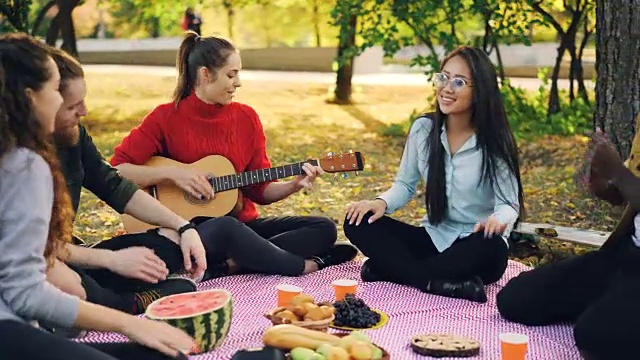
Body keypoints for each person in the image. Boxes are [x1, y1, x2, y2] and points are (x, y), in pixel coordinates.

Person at [0, 31, 193, 360]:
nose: (68, 105)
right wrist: (130, 324)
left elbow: (113, 184)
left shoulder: (32, 153)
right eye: (55, 91)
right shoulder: (23, 166)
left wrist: (183, 225)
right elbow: (24, 292)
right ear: (31, 98)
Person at [110, 32, 357, 279]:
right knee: (226, 227)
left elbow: (259, 191)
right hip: (188, 235)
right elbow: (116, 172)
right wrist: (173, 174)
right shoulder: (165, 118)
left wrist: (293, 185)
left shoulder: (246, 118)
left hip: (243, 229)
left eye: (238, 73)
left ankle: (234, 265)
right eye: (231, 74)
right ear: (205, 74)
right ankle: (300, 266)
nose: (238, 82)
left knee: (322, 228)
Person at [343, 46, 524, 303]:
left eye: (459, 82)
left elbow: (509, 204)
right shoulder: (423, 129)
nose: (447, 88)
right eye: (443, 77)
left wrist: (497, 220)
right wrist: (379, 203)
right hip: (434, 237)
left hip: (476, 243)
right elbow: (405, 184)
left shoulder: (495, 142)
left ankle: (392, 269)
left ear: (480, 90)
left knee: (491, 247)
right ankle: (438, 281)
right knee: (357, 221)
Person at [43, 46, 210, 323]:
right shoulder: (17, 159)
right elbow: (34, 249)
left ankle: (113, 284)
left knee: (170, 241)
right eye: (73, 106)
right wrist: (113, 261)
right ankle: (127, 301)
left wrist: (183, 226)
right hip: (39, 263)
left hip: (68, 251)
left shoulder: (73, 135)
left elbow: (114, 186)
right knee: (68, 284)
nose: (84, 112)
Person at [496, 129, 640, 360]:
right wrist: (605, 187)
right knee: (516, 298)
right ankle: (613, 305)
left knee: (595, 338)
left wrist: (618, 173)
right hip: (627, 255)